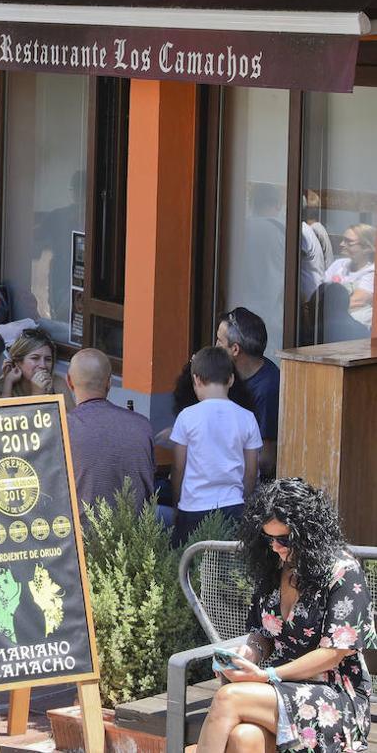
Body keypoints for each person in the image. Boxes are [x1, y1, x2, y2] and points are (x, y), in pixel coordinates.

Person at [197, 479, 373, 753]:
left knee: (227, 698)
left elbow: (334, 653)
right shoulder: (274, 568)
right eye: (269, 539)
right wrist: (249, 654)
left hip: (334, 696)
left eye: (285, 539)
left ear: (308, 533)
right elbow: (263, 633)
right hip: (278, 689)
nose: (276, 547)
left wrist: (267, 675)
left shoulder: (343, 572)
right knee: (245, 737)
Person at [169, 346, 262, 546]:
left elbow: (178, 468)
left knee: (188, 568)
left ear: (196, 379)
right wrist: (242, 500)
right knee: (227, 571)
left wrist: (178, 503)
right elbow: (252, 472)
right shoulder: (247, 417)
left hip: (193, 506)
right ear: (231, 379)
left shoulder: (187, 416)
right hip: (233, 505)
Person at [63, 348, 156, 515]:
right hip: (137, 536)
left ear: (69, 382)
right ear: (109, 382)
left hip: (81, 535)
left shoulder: (63, 428)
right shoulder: (142, 425)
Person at [216, 307, 281, 480]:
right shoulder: (232, 374)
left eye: (219, 341)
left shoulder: (268, 390)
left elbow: (267, 461)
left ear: (235, 349)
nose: (215, 347)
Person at [0, 327, 61, 398]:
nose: (43, 365)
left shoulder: (57, 383)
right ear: (18, 362)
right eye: (35, 358)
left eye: (48, 359)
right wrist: (37, 394)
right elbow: (5, 409)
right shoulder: (5, 384)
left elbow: (72, 409)